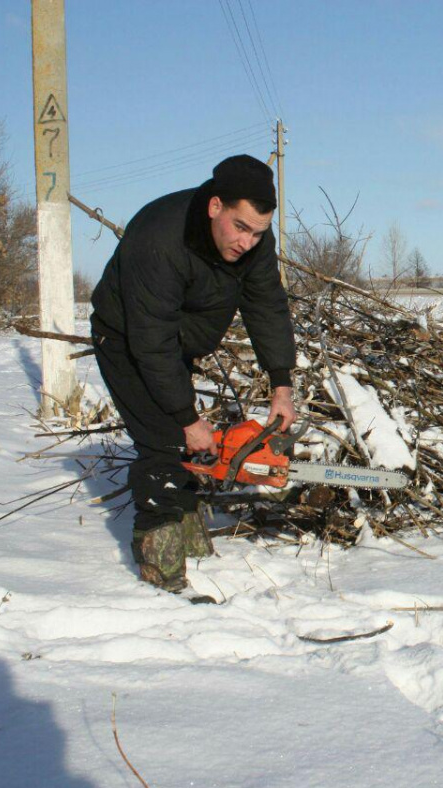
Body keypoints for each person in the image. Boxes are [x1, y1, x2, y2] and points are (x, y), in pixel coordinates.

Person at [90, 155, 297, 592]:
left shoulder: (254, 240)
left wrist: (282, 382)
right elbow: (150, 342)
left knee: (184, 444)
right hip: (128, 340)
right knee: (165, 442)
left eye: (259, 233)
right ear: (215, 206)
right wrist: (186, 417)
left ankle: (190, 543)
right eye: (241, 227)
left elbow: (266, 304)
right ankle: (160, 572)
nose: (248, 241)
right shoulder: (160, 239)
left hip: (173, 342)